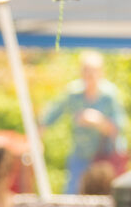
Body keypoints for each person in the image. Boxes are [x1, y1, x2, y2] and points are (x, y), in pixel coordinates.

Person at [40, 50, 127, 193]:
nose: (90, 75)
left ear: (101, 72)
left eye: (93, 71)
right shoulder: (73, 93)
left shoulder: (109, 95)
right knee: (73, 193)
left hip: (105, 158)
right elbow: (51, 115)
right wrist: (37, 137)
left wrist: (98, 121)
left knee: (107, 195)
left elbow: (117, 129)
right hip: (81, 154)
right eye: (86, 70)